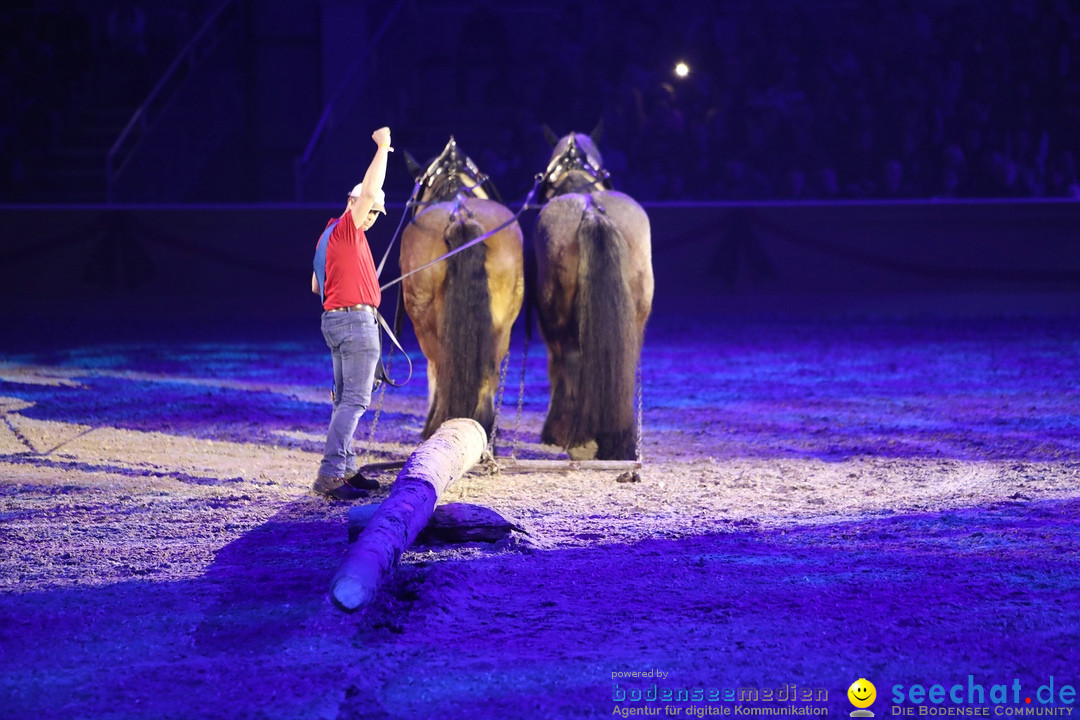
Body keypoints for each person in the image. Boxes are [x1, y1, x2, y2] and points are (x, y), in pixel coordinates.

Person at [310, 126, 392, 500]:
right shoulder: (346, 229)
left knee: (344, 400)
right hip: (356, 324)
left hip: (336, 320)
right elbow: (372, 189)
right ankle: (330, 474)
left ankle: (345, 469)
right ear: (353, 203)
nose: (372, 215)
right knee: (356, 401)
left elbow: (316, 286)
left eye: (376, 213)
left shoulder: (329, 236)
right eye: (368, 209)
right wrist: (384, 147)